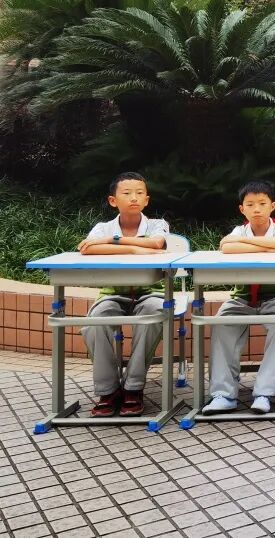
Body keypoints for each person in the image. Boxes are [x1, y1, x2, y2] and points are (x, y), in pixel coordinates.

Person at [78, 172, 170, 417]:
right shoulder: (102, 227)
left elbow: (156, 244)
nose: (134, 198)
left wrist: (112, 242)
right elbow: (87, 249)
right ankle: (108, 391)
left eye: (139, 193)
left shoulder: (157, 224)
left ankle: (133, 387)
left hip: (151, 293)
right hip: (112, 293)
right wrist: (132, 248)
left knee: (153, 315)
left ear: (147, 200)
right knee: (94, 322)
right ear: (113, 200)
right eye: (127, 193)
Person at [205, 180, 275, 415]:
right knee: (222, 322)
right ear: (242, 209)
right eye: (250, 204)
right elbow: (226, 247)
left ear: (272, 206)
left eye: (262, 203)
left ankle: (264, 393)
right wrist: (267, 247)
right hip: (242, 298)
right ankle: (223, 394)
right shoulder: (239, 230)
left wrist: (246, 244)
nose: (256, 209)